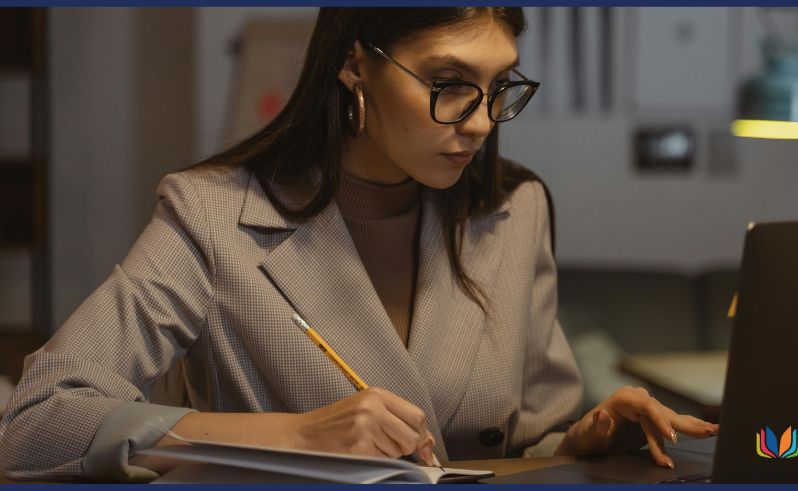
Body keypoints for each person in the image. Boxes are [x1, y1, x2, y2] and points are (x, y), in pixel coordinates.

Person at [0, 7, 717, 482]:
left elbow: (527, 444)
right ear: (354, 67)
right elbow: (38, 424)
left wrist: (584, 438)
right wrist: (294, 436)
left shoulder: (511, 209)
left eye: (498, 86)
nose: (480, 123)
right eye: (448, 84)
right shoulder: (213, 215)